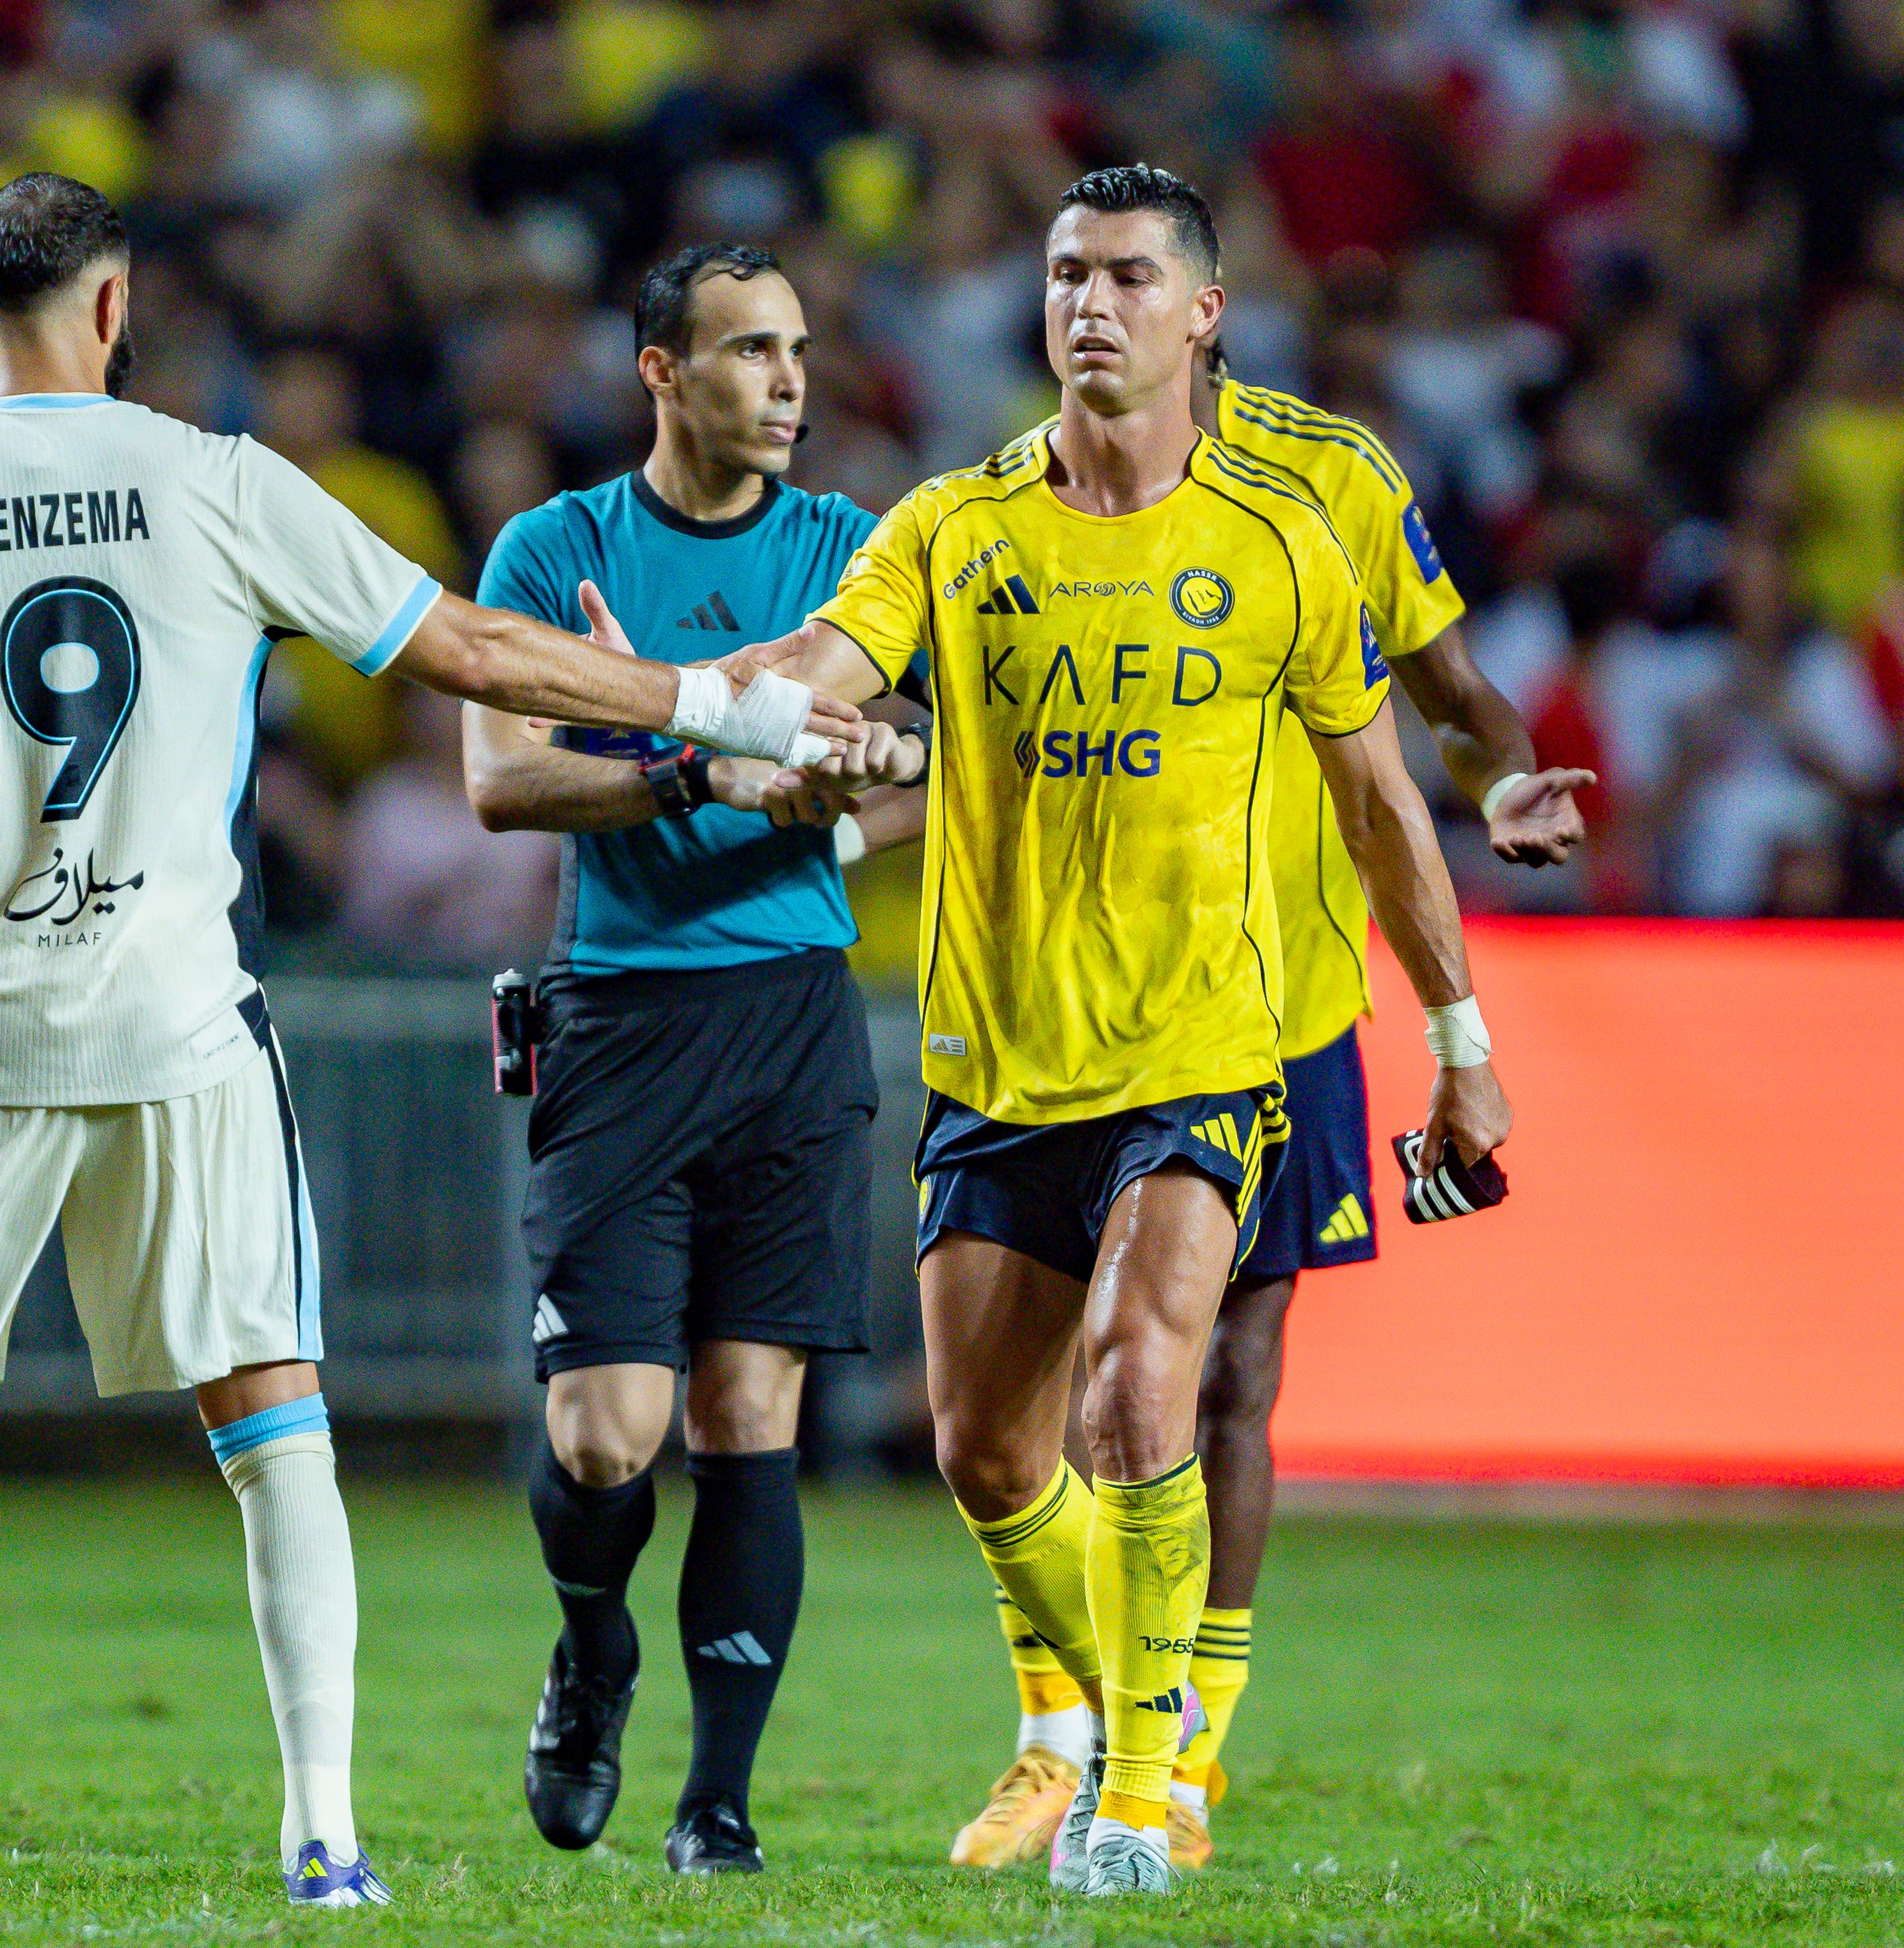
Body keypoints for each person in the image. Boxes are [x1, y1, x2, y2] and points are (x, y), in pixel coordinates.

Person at [0, 172, 856, 1915]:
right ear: (116, 306)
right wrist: (713, 700)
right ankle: (320, 1832)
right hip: (171, 1022)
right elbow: (463, 649)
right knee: (272, 1422)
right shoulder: (214, 484)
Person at [743, 163, 1515, 1897]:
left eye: (1123, 276)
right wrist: (735, 707)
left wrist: (1459, 1037)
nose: (1086, 302)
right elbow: (832, 662)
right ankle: (1084, 1726)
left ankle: (1143, 1791)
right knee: (983, 1448)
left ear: (1201, 315)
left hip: (1204, 1053)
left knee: (1141, 1382)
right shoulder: (953, 527)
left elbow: (1386, 812)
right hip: (999, 1058)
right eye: (1062, 274)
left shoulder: (1276, 542)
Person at [933, 343, 1591, 1872]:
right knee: (1020, 1416)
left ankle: (1180, 1761)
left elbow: (1458, 695)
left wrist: (1495, 790)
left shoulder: (1335, 478)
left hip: (1280, 1000)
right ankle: (1064, 1737)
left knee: (1212, 1375)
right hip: (1070, 999)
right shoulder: (1021, 497)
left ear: (1201, 324)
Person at [461, 241, 916, 1876]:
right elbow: (502, 781)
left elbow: (928, 752)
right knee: (603, 1432)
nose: (789, 381)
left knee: (747, 1414)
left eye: (797, 348)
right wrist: (698, 769)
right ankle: (592, 1648)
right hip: (622, 1012)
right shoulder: (555, 545)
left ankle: (716, 1805)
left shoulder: (851, 552)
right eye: (747, 352)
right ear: (663, 373)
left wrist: (853, 792)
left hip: (791, 1008)